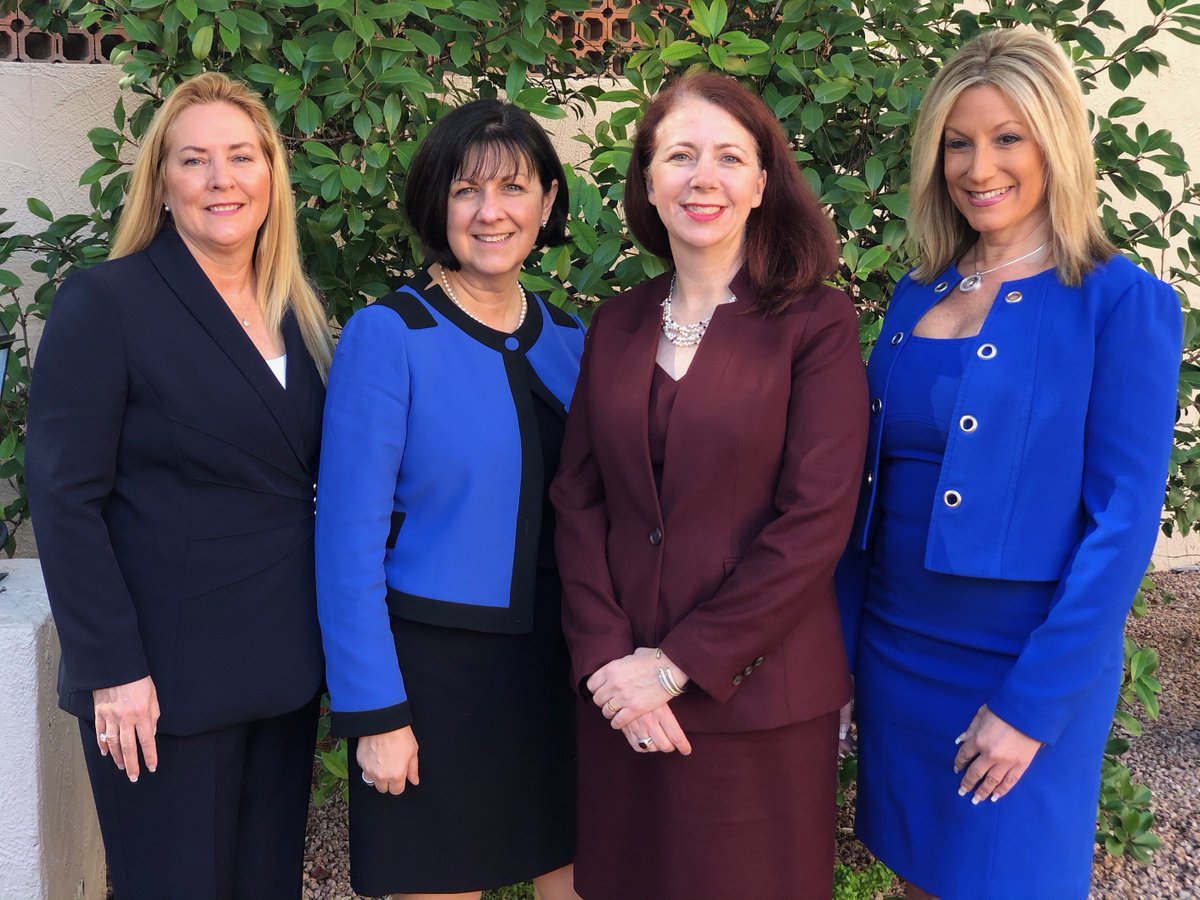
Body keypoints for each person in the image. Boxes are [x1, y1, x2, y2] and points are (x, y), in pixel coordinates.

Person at [836, 27, 1182, 898]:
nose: (977, 166)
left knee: (1005, 877)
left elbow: (1123, 524)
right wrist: (839, 653)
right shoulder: (919, 291)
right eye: (957, 142)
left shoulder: (1123, 304)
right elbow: (866, 491)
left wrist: (1031, 705)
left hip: (1021, 658)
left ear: (1054, 143)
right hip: (895, 646)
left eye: (1006, 138)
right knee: (919, 876)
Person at [551, 72, 868, 899]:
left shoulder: (816, 323)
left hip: (755, 703)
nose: (705, 177)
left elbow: (815, 522)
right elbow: (578, 500)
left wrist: (676, 665)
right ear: (648, 181)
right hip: (619, 699)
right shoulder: (616, 321)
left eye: (730, 157)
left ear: (762, 184)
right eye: (681, 155)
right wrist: (609, 662)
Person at [26, 72, 333, 898]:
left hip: (280, 669)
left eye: (241, 157)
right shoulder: (107, 301)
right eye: (194, 160)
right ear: (161, 183)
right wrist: (112, 669)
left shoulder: (297, 312)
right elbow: (64, 498)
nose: (220, 180)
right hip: (159, 685)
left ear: (272, 175)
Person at [315, 98, 583, 900]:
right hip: (433, 680)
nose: (491, 212)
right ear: (439, 204)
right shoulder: (388, 335)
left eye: (513, 188)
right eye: (467, 190)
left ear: (548, 203)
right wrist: (374, 713)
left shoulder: (576, 339)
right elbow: (346, 542)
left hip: (562, 672)